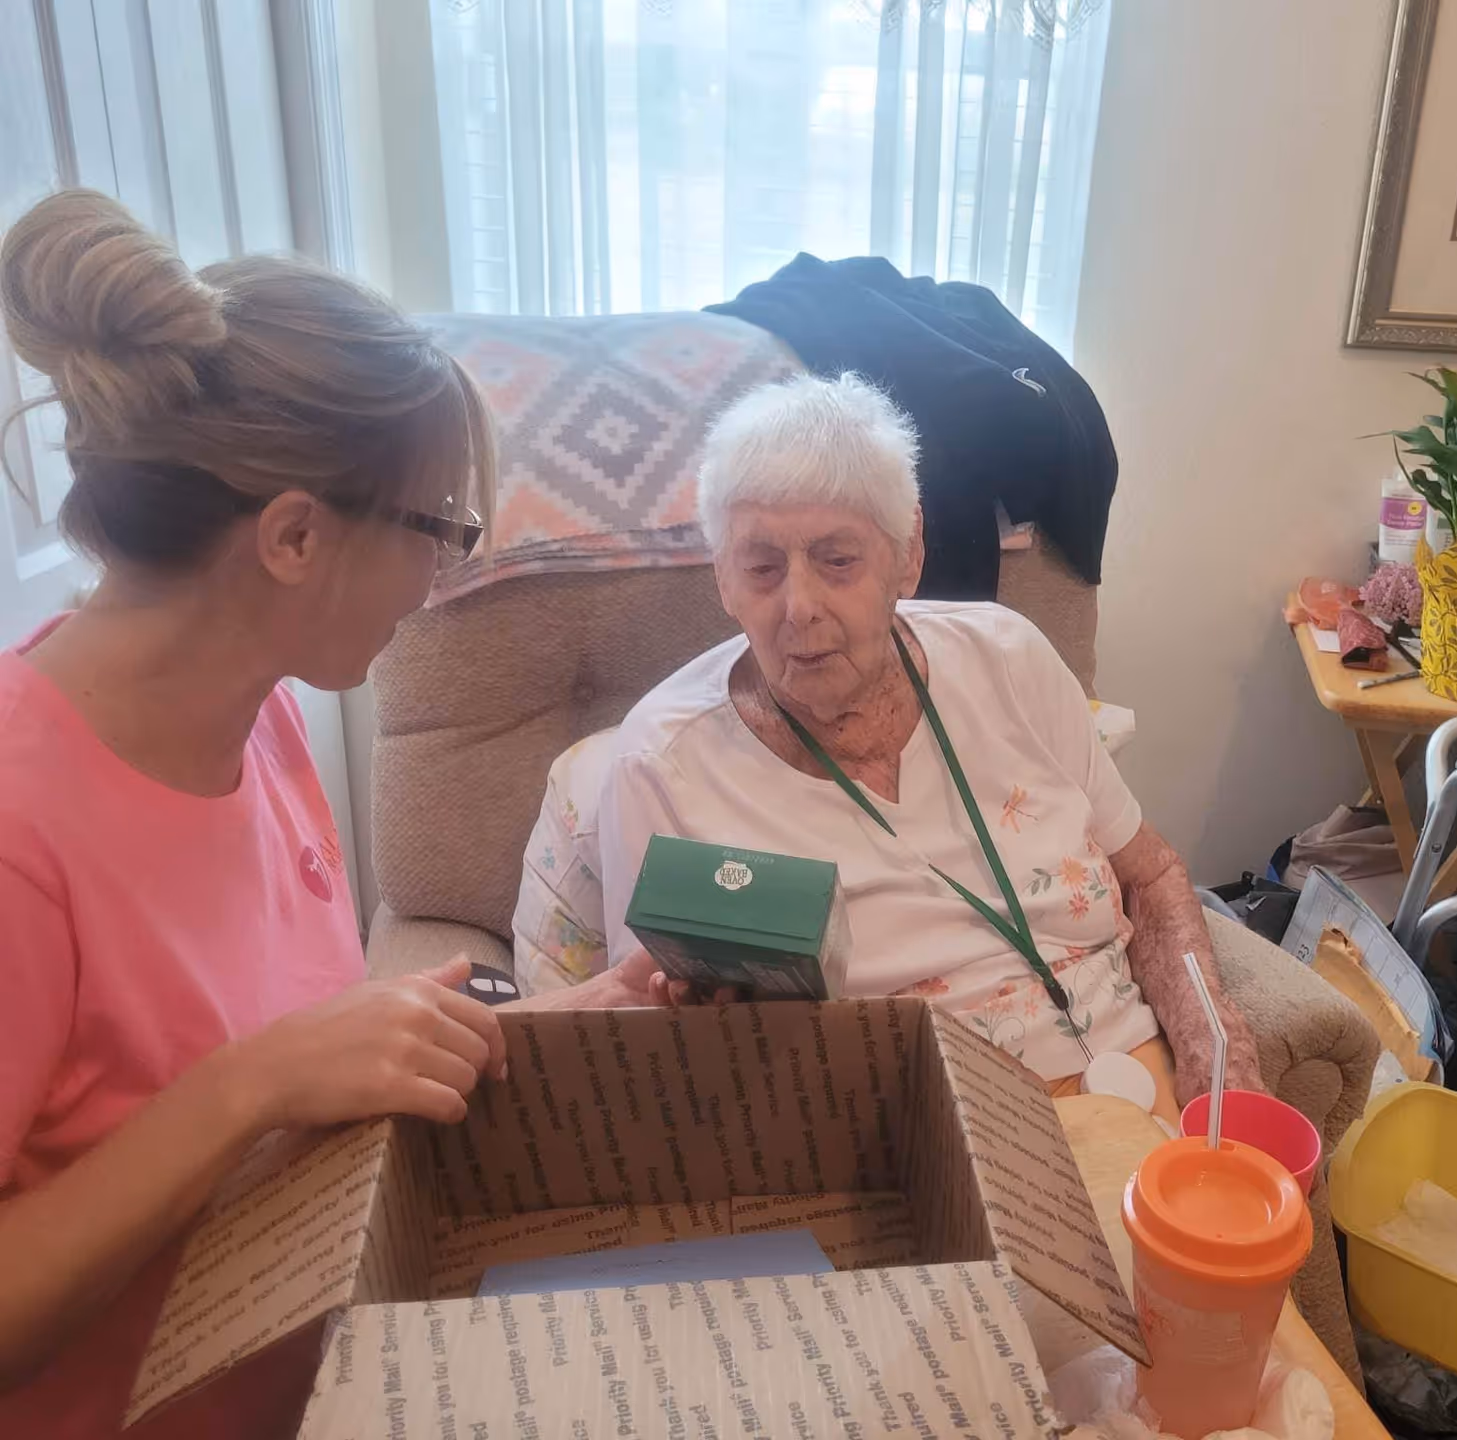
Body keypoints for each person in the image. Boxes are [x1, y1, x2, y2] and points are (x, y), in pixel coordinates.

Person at [0, 191, 642, 1439]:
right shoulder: (18, 830)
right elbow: (250, 1082)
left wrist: (570, 1027)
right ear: (294, 535)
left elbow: (299, 1075)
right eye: (439, 531)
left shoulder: (267, 726)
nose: (443, 579)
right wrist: (249, 1087)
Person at [515, 372, 1261, 1118]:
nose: (799, 608)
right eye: (762, 567)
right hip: (929, 1134)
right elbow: (669, 1048)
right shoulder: (666, 767)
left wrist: (1216, 1056)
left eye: (837, 560)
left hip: (1138, 1083)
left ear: (907, 555)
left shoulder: (1009, 658)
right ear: (723, 580)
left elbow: (1152, 874)